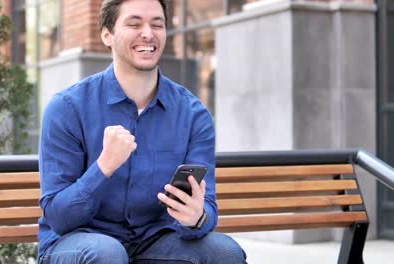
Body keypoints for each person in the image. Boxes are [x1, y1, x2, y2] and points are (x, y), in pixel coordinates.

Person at [37, 0, 247, 263]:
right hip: (77, 241)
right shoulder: (67, 108)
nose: (148, 33)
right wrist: (104, 167)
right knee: (107, 254)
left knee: (225, 253)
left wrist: (196, 218)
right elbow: (59, 218)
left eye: (157, 24)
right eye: (134, 24)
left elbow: (207, 209)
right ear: (107, 35)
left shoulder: (193, 114)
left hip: (156, 240)